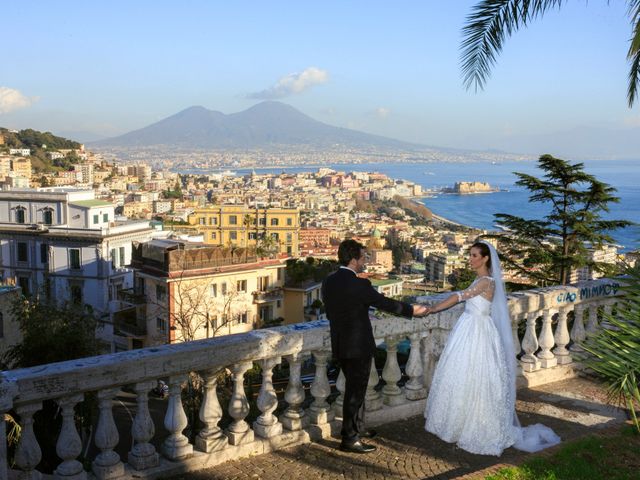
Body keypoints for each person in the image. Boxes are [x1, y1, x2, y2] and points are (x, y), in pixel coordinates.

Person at [423, 240, 560, 456]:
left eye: (474, 255)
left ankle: (476, 425)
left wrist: (433, 309)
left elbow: (459, 296)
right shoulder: (481, 279)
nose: (470, 259)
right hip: (469, 329)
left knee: (477, 377)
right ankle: (458, 422)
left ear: (486, 258)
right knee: (463, 375)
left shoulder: (486, 281)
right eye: (470, 255)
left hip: (478, 332)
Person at [322, 239, 428, 454]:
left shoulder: (329, 281)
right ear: (353, 260)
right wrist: (412, 310)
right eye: (363, 257)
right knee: (355, 393)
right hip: (358, 345)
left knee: (356, 390)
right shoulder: (360, 285)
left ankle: (358, 428)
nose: (365, 261)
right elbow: (385, 304)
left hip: (340, 343)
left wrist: (360, 307)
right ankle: (349, 439)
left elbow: (340, 307)